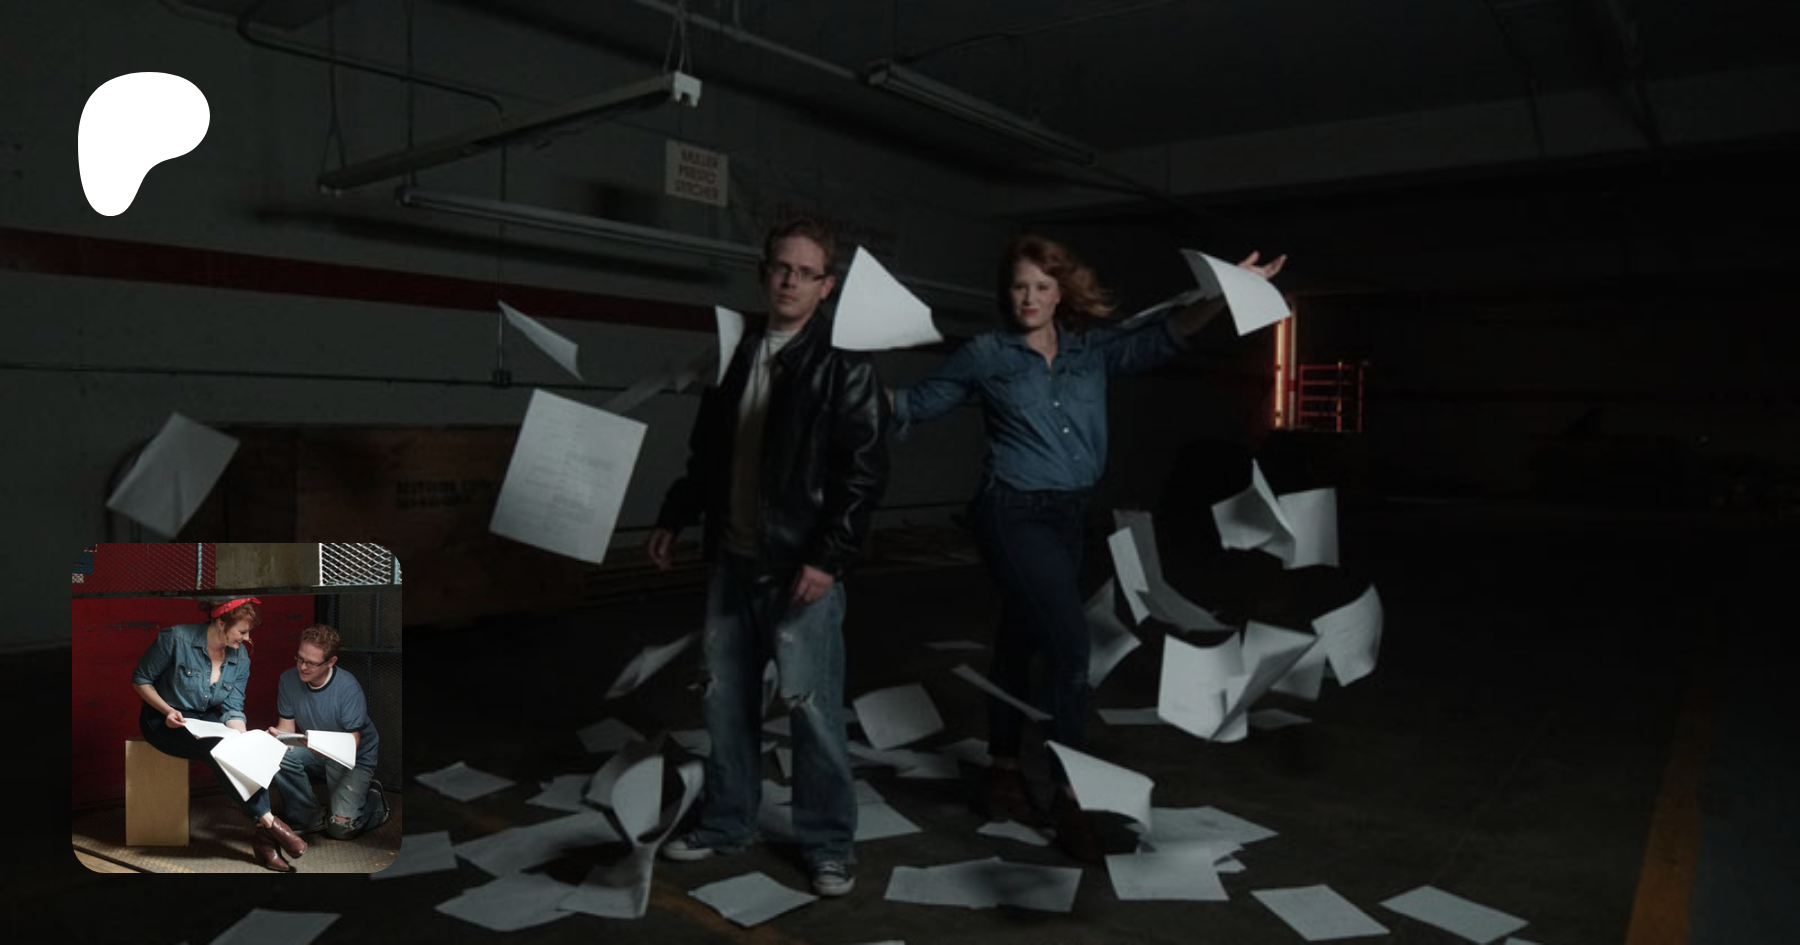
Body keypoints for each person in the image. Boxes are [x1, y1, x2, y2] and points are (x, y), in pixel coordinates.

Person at [889, 234, 1286, 863]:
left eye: (1041, 287)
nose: (1029, 297)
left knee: (1021, 636)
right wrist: (828, 396)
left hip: (1069, 517)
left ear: (1059, 293)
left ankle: (1002, 773)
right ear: (1006, 294)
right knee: (1071, 648)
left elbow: (1168, 336)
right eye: (1019, 286)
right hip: (1011, 513)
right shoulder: (988, 354)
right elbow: (916, 405)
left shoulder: (1091, 350)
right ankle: (1071, 798)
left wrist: (1226, 291)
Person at [646, 218, 889, 897]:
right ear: (764, 273)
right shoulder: (737, 351)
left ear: (826, 286)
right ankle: (728, 822)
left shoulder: (845, 363)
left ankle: (828, 844)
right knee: (724, 704)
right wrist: (675, 514)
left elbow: (863, 473)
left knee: (812, 711)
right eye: (781, 267)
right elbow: (707, 452)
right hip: (732, 559)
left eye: (805, 272)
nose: (790, 281)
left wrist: (829, 558)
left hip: (800, 570)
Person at [130, 596, 309, 872]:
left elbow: (233, 708)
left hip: (205, 720)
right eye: (242, 631)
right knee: (215, 748)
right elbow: (141, 679)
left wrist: (244, 740)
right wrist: (167, 710)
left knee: (238, 747)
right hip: (162, 720)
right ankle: (271, 825)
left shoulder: (240, 657)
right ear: (221, 622)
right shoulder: (175, 639)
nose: (247, 639)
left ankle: (266, 832)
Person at [266, 623, 388, 844]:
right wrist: (277, 737)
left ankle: (375, 802)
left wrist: (323, 750)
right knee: (277, 753)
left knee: (340, 828)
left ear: (331, 662)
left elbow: (352, 743)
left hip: (353, 756)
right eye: (300, 658)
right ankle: (309, 817)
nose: (303, 667)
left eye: (311, 663)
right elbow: (286, 728)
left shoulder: (348, 688)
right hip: (315, 749)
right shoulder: (288, 679)